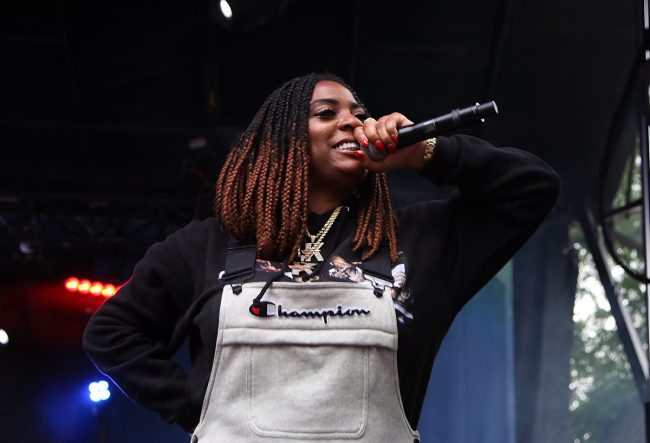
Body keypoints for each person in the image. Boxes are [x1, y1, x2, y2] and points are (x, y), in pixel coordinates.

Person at [83, 72, 560, 442]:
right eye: (327, 113)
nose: (352, 121)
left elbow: (531, 188)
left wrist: (427, 153)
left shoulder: (415, 242)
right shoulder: (206, 246)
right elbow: (110, 333)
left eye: (359, 113)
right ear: (282, 140)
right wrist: (199, 409)